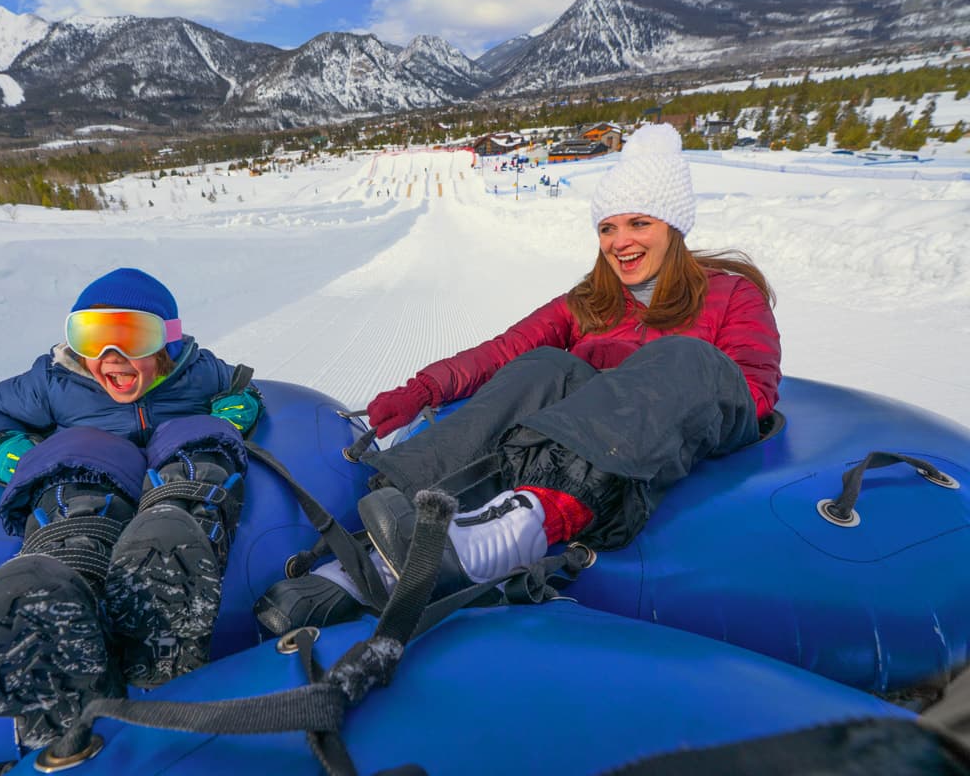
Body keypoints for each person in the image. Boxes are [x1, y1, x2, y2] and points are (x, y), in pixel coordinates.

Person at [256, 124, 781, 633]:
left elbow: (751, 394)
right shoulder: (589, 302)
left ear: (673, 227)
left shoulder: (730, 295)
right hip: (584, 435)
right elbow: (504, 350)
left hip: (664, 439)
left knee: (683, 355)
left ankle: (513, 532)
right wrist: (425, 388)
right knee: (544, 366)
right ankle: (372, 547)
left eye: (639, 224)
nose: (620, 242)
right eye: (607, 227)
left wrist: (638, 384)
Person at [0, 267, 263, 748]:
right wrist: (1, 445)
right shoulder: (57, 381)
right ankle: (68, 588)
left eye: (132, 336)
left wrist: (238, 407)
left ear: (168, 343)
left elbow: (239, 386)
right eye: (92, 337)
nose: (109, 357)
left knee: (201, 434)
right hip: (101, 469)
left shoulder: (198, 370)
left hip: (170, 463)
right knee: (76, 450)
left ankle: (173, 566)